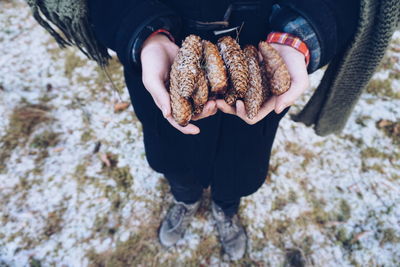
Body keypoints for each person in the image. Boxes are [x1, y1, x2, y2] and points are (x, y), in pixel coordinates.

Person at [25, 0, 399, 261]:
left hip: (264, 52)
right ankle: (185, 198)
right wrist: (146, 34)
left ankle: (226, 207)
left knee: (244, 157)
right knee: (173, 145)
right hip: (166, 54)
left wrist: (299, 38)